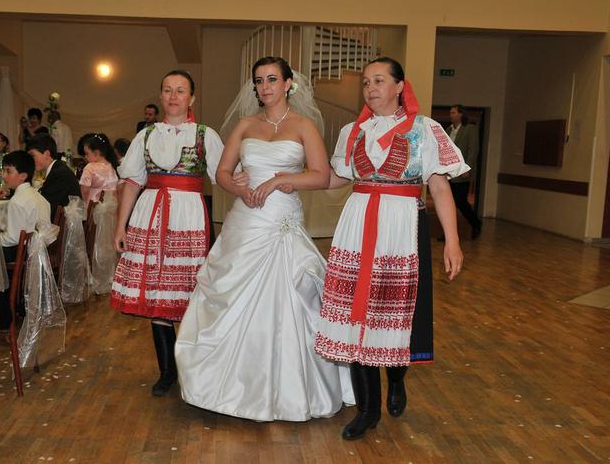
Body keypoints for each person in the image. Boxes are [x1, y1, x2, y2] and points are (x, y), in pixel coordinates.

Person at [175, 56, 351, 421]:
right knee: (229, 296)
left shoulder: (303, 126)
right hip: (246, 222)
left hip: (282, 220)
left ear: (288, 84)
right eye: (259, 80)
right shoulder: (245, 125)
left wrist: (280, 180)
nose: (265, 86)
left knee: (290, 299)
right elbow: (222, 173)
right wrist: (238, 188)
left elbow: (320, 176)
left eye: (272, 79)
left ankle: (289, 389)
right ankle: (225, 386)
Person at [313, 57, 468, 440]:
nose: (370, 89)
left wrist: (452, 240)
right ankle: (368, 410)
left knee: (395, 314)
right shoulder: (353, 131)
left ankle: (396, 378)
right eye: (366, 82)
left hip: (402, 228)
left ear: (400, 86)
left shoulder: (424, 129)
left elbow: (439, 187)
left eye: (379, 81)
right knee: (356, 315)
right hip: (357, 225)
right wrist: (289, 179)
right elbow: (336, 178)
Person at [111, 70, 223, 397]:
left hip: (188, 218)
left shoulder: (205, 135)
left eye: (180, 90)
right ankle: (167, 371)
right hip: (150, 214)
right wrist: (120, 225)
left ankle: (193, 370)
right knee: (158, 293)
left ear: (192, 98)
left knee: (189, 294)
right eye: (168, 90)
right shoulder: (146, 135)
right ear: (161, 95)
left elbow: (224, 177)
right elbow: (132, 182)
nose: (173, 96)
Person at [0, 150, 52, 262]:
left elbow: (13, 238)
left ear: (23, 176)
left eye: (8, 171)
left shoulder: (17, 201)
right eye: (3, 170)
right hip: (39, 249)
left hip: (23, 253)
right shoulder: (37, 194)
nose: (4, 176)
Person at [445, 104, 482, 239]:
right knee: (448, 203)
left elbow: (473, 150)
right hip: (449, 173)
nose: (451, 115)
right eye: (450, 113)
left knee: (460, 202)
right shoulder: (448, 130)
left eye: (453, 112)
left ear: (461, 114)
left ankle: (476, 223)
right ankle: (448, 234)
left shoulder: (470, 129)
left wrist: (468, 168)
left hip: (462, 173)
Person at [26, 134, 81, 221]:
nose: (29, 160)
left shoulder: (59, 174)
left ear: (47, 154)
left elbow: (45, 206)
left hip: (62, 226)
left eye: (32, 155)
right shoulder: (57, 168)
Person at [78, 133, 119, 207]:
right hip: (111, 206)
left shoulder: (90, 167)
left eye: (87, 153)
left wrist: (84, 203)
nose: (85, 156)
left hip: (94, 206)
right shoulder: (111, 166)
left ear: (96, 153)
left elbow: (84, 190)